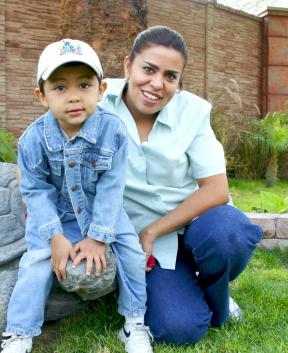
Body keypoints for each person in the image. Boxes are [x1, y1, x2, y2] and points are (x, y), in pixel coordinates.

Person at [100, 25, 263, 344]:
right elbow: (48, 134)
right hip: (151, 248)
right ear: (127, 65)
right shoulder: (98, 102)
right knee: (179, 328)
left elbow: (217, 190)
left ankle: (218, 299)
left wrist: (153, 230)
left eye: (170, 76)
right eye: (148, 69)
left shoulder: (193, 113)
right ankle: (183, 287)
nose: (157, 84)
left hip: (199, 224)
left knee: (229, 235)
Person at [1, 39, 153, 353]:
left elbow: (113, 187)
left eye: (84, 85)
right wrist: (55, 237)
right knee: (35, 262)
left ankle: (134, 323)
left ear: (101, 89)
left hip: (103, 211)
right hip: (56, 214)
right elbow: (35, 190)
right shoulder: (32, 140)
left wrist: (99, 237)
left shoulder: (113, 131)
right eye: (59, 88)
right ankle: (19, 334)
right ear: (40, 96)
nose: (73, 96)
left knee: (133, 255)